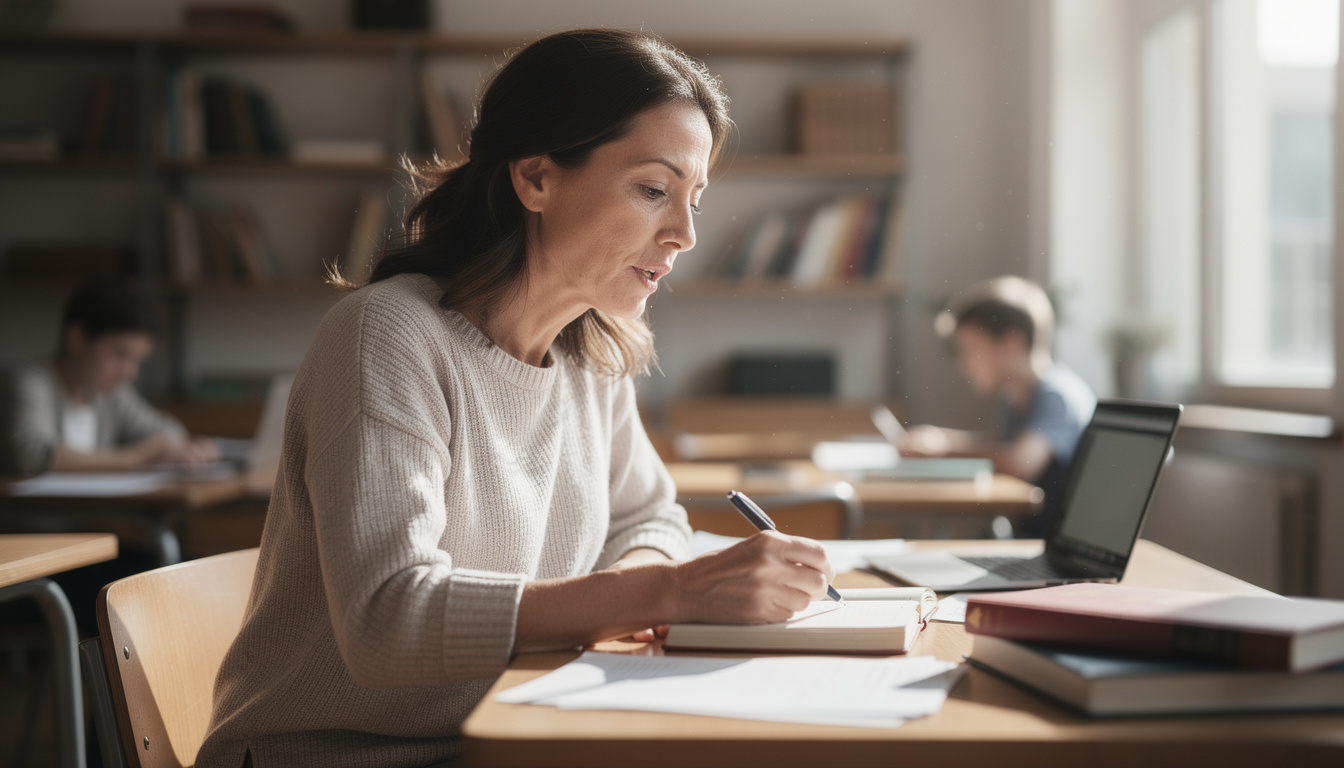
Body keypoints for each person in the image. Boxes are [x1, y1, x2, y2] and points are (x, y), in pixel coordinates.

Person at [197, 29, 835, 768]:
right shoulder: (386, 337)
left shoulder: (595, 352)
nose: (686, 234)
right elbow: (385, 622)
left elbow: (649, 515)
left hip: (517, 731)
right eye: (654, 190)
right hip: (344, 755)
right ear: (534, 178)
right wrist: (666, 594)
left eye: (693, 199)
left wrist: (647, 587)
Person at [899, 276, 1096, 536]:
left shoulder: (1057, 396)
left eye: (971, 349)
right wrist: (940, 439)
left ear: (1012, 343)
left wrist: (942, 450)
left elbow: (1019, 461)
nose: (964, 363)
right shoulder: (1013, 394)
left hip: (1050, 544)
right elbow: (1001, 445)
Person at [0, 277, 218, 476]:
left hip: (89, 518)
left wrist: (190, 446)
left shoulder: (109, 392)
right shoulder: (28, 381)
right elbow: (31, 456)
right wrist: (134, 458)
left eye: (137, 360)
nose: (130, 372)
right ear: (76, 338)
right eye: (120, 354)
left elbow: (168, 432)